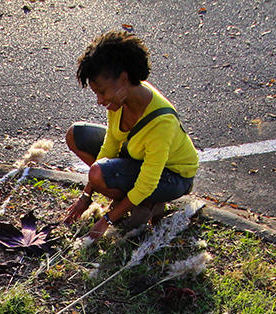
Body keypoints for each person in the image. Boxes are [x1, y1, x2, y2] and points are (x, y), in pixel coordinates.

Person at [61, 31, 199, 238]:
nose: (99, 100)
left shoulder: (162, 123)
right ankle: (134, 200)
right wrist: (86, 196)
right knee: (76, 135)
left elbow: (148, 181)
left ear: (123, 79)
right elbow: (109, 147)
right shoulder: (120, 102)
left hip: (173, 176)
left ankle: (144, 201)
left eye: (102, 92)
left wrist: (107, 219)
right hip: (137, 158)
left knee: (100, 173)